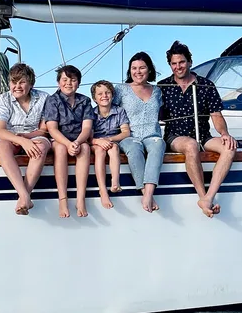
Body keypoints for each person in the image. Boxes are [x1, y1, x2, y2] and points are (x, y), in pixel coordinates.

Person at [158, 41, 237, 217]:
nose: (178, 67)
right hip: (175, 136)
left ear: (190, 62)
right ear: (170, 65)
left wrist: (224, 134)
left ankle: (209, 196)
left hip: (204, 135)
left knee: (229, 147)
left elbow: (216, 115)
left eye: (182, 62)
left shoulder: (206, 85)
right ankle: (202, 196)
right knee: (190, 145)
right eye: (174, 63)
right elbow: (153, 114)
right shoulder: (163, 87)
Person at [0, 63, 51, 215]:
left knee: (41, 147)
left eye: (22, 82)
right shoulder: (3, 99)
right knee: (1, 147)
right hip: (11, 135)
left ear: (30, 84)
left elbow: (44, 130)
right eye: (13, 82)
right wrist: (22, 141)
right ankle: (24, 195)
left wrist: (28, 138)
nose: (17, 86)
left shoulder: (44, 98)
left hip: (35, 135)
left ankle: (24, 196)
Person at [115, 51, 165, 213]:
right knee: (135, 148)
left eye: (142, 68)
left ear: (149, 70)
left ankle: (148, 192)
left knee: (159, 145)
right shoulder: (121, 89)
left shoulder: (157, 91)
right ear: (129, 71)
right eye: (134, 68)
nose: (138, 71)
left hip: (152, 135)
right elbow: (108, 110)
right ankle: (146, 194)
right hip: (129, 135)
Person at [43, 65, 94, 218]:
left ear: (78, 83)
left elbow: (87, 127)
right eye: (64, 79)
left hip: (79, 138)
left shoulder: (84, 101)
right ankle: (63, 199)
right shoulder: (53, 100)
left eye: (73, 80)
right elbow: (52, 128)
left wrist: (77, 142)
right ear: (59, 82)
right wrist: (67, 144)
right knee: (59, 149)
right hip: (59, 139)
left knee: (85, 149)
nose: (68, 83)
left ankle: (80, 199)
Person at [90, 79, 130, 210]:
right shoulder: (91, 113)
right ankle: (103, 190)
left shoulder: (119, 111)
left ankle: (115, 182)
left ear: (112, 95)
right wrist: (99, 141)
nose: (104, 96)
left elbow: (125, 132)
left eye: (107, 93)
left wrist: (110, 139)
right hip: (95, 142)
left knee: (114, 148)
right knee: (100, 152)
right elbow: (88, 137)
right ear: (95, 98)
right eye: (100, 94)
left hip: (111, 140)